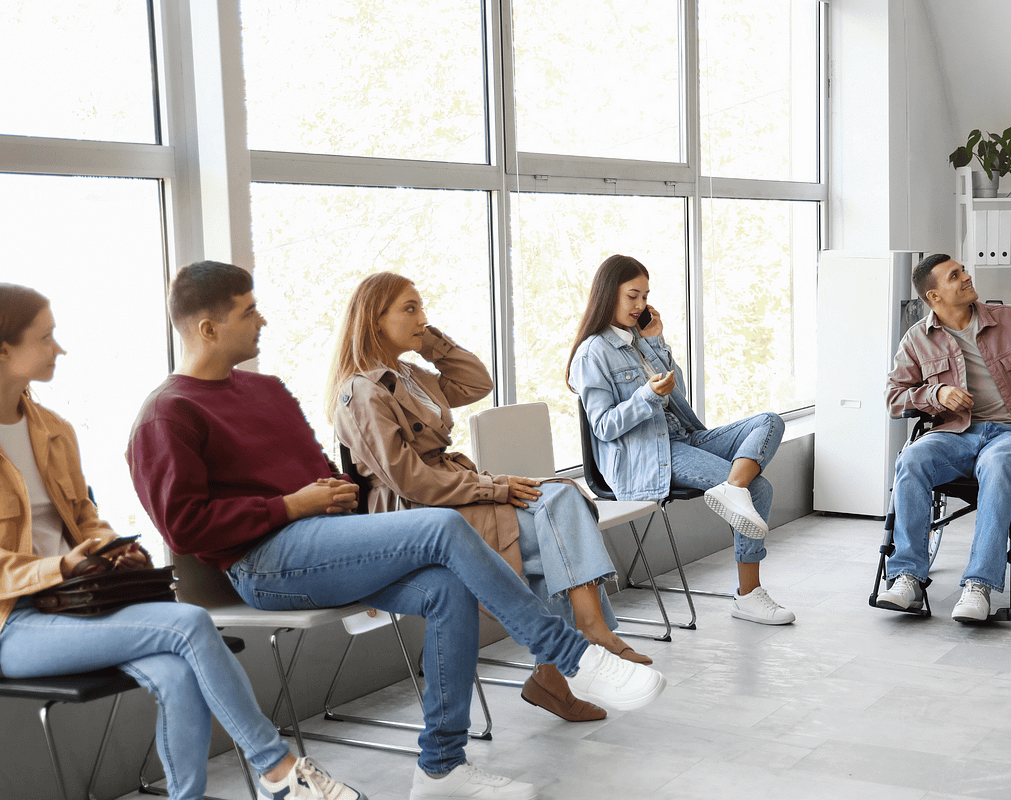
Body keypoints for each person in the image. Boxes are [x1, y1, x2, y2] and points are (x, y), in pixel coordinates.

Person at [128, 262, 666, 800]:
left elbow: (331, 476)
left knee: (448, 589)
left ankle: (441, 769)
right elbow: (185, 526)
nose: (262, 320)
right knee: (442, 528)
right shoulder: (167, 413)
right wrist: (291, 506)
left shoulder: (264, 391)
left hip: (326, 546)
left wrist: (358, 538)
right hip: (264, 562)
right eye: (249, 311)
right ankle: (570, 654)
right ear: (207, 328)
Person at [0, 283, 365, 800]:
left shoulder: (53, 429)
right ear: (3, 349)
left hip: (78, 603)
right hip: (13, 622)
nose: (59, 348)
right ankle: (277, 769)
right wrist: (59, 569)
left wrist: (105, 549)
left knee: (175, 674)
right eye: (46, 337)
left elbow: (83, 514)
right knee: (191, 622)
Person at [329, 272, 650, 725]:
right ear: (374, 320)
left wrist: (431, 343)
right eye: (410, 309)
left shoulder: (411, 375)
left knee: (561, 504)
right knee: (556, 521)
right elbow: (409, 481)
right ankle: (580, 645)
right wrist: (493, 486)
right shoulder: (360, 391)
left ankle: (568, 659)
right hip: (418, 516)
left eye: (422, 307)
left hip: (455, 494)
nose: (423, 318)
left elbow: (478, 383)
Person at [566, 255, 794, 625]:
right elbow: (604, 426)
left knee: (769, 421)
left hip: (685, 438)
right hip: (648, 455)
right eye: (632, 296)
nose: (641, 306)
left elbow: (679, 399)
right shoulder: (592, 353)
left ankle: (733, 489)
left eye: (645, 297)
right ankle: (748, 596)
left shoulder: (642, 341)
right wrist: (646, 396)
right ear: (609, 295)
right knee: (760, 489)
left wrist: (658, 344)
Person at [876, 255, 1011, 622]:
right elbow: (894, 397)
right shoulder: (917, 340)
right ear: (934, 296)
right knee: (910, 459)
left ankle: (980, 585)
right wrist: (936, 395)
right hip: (954, 433)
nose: (966, 276)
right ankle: (907, 577)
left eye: (963, 270)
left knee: (999, 463)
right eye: (954, 276)